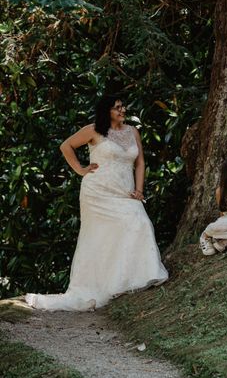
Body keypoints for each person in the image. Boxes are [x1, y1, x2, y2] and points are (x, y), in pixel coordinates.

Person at [25, 95, 168, 311]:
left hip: (125, 192)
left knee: (139, 223)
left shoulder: (132, 131)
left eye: (123, 106)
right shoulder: (93, 130)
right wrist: (80, 169)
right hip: (97, 192)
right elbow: (66, 146)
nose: (122, 110)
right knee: (99, 238)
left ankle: (133, 279)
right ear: (106, 111)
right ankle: (103, 286)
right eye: (117, 107)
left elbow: (140, 162)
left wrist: (139, 190)